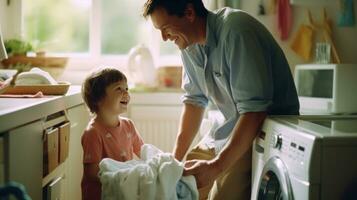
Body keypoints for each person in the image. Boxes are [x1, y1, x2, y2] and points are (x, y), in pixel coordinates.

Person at [143, 0, 300, 199]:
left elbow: (254, 112)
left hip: (262, 132)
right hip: (232, 128)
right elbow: (194, 101)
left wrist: (215, 167)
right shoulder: (189, 45)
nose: (164, 38)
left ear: (189, 13)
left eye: (165, 28)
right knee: (181, 184)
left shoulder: (236, 32)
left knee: (218, 194)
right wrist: (174, 161)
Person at [80, 67, 144, 200]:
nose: (126, 93)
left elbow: (143, 151)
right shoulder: (93, 132)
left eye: (126, 89)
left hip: (122, 192)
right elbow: (91, 172)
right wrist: (122, 177)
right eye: (118, 89)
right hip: (100, 195)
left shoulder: (128, 126)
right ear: (98, 98)